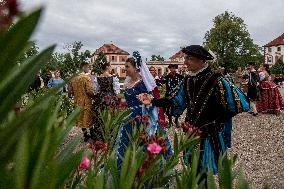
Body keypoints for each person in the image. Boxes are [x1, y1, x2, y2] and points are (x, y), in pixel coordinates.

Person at [138, 45, 249, 174]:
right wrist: (153, 101)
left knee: (205, 173)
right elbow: (173, 100)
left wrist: (218, 121)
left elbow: (240, 104)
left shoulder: (217, 80)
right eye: (185, 58)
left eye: (189, 58)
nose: (185, 62)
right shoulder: (188, 80)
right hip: (191, 133)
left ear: (202, 60)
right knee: (194, 170)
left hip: (209, 136)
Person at [114, 51, 173, 170]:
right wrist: (124, 104)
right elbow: (130, 100)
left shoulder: (143, 84)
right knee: (126, 144)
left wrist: (146, 105)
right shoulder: (127, 82)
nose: (125, 69)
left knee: (144, 144)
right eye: (125, 67)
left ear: (136, 68)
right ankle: (127, 170)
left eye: (127, 67)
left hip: (143, 119)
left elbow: (150, 102)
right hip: (129, 118)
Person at [68, 62, 96, 142]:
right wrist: (95, 96)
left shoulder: (73, 78)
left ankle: (85, 136)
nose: (89, 69)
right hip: (86, 101)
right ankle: (91, 136)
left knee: (81, 119)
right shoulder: (86, 78)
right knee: (89, 119)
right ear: (84, 67)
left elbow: (70, 92)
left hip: (77, 102)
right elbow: (89, 91)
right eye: (88, 67)